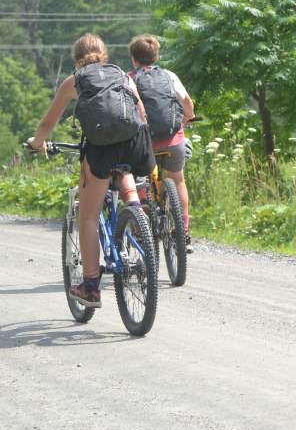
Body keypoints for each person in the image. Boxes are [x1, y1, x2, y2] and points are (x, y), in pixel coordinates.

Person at [26, 33, 155, 308]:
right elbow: (140, 114)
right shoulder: (123, 75)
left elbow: (49, 122)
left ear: (76, 58)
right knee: (125, 167)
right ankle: (135, 211)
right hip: (134, 144)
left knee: (89, 217)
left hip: (100, 149)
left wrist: (36, 143)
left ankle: (91, 287)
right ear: (104, 54)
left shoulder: (75, 81)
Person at [128, 33, 196, 253]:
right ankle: (183, 233)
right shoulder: (168, 75)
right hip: (172, 139)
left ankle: (142, 230)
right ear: (155, 56)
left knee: (139, 181)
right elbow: (186, 101)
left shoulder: (129, 78)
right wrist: (188, 118)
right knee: (177, 180)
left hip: (145, 143)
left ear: (133, 58)